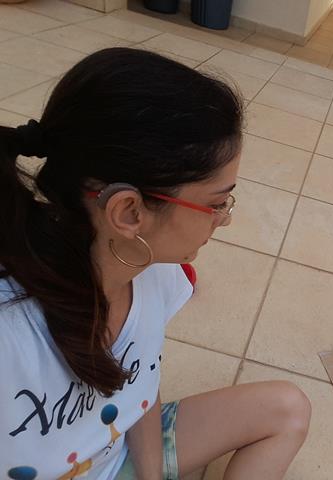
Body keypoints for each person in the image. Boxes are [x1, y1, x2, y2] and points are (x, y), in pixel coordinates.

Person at [0, 47, 311, 480]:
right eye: (216, 203)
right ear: (129, 212)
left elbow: (139, 387)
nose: (224, 219)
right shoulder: (11, 333)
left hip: (114, 457)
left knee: (289, 407)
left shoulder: (151, 272)